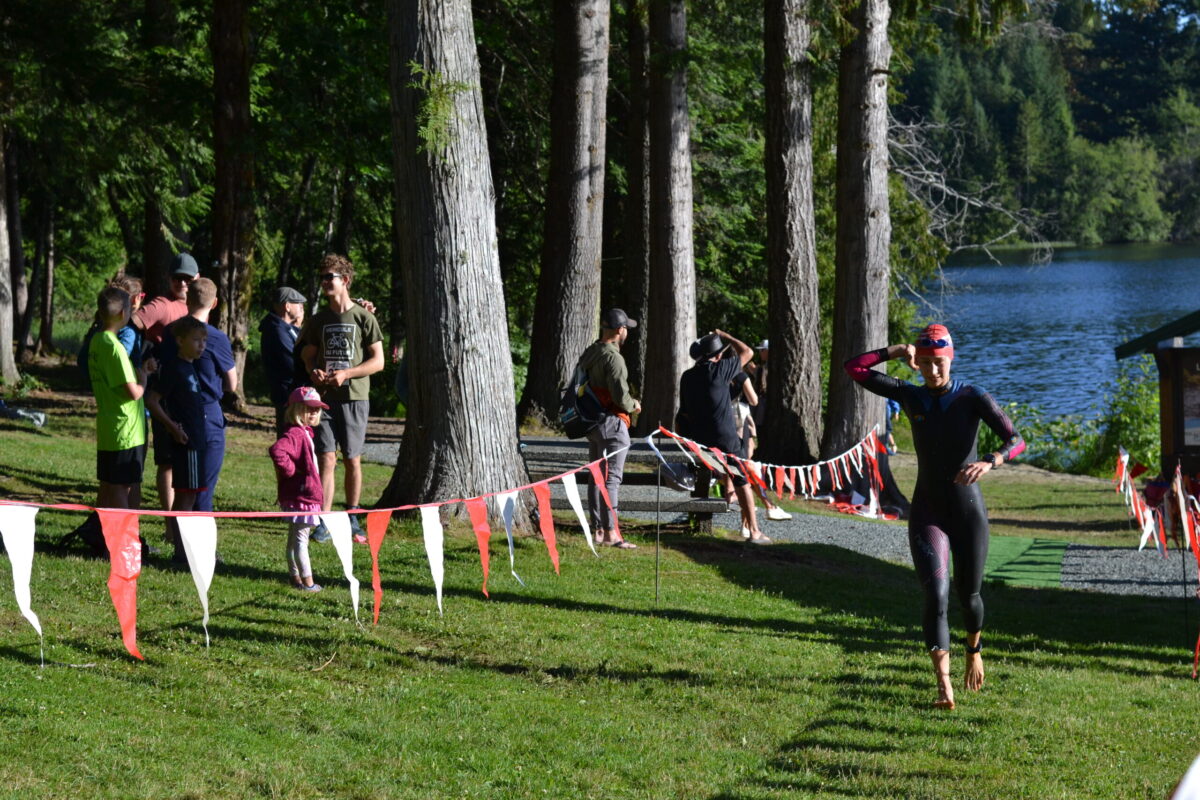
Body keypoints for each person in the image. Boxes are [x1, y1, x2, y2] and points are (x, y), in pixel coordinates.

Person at [844, 323, 1025, 711]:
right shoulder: (910, 395)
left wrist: (990, 461)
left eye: (939, 362)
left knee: (969, 596)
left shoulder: (972, 396)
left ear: (950, 360)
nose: (932, 370)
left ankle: (974, 649)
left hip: (968, 511)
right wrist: (896, 351)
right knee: (936, 596)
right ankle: (944, 686)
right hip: (928, 512)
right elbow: (854, 368)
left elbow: (1017, 440)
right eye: (925, 363)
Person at [298, 254, 384, 543]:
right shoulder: (319, 320)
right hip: (324, 399)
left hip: (354, 398)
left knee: (352, 459)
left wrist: (347, 374)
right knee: (326, 458)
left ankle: (352, 517)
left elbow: (378, 362)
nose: (324, 282)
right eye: (321, 277)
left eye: (329, 277)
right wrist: (313, 371)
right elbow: (308, 355)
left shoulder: (364, 317)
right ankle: (323, 520)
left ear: (345, 280)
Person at [677, 330, 769, 543]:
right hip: (725, 439)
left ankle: (702, 519)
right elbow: (747, 352)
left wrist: (686, 442)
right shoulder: (721, 369)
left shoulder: (687, 377)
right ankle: (754, 531)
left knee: (717, 474)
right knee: (742, 480)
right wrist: (724, 335)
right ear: (718, 355)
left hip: (699, 442)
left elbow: (684, 414)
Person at [155, 278, 237, 514]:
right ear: (214, 303)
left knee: (182, 483)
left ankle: (173, 530)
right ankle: (192, 537)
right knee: (201, 490)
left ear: (187, 300)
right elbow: (232, 383)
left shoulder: (172, 331)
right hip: (205, 414)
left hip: (172, 411)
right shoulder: (214, 337)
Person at [145, 316, 210, 562]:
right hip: (186, 443)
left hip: (198, 442)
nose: (201, 345)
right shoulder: (174, 368)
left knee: (191, 495)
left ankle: (185, 548)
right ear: (180, 341)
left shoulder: (191, 367)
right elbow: (152, 400)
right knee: (185, 496)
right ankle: (181, 553)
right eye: (196, 340)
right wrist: (172, 427)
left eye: (204, 341)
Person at [576, 308, 642, 549]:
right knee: (611, 479)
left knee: (596, 478)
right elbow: (620, 397)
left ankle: (599, 530)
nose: (627, 332)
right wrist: (634, 405)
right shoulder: (614, 358)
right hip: (612, 422)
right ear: (619, 330)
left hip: (593, 422)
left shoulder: (591, 352)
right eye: (626, 328)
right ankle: (612, 533)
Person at [87, 287, 150, 513]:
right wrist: (144, 379)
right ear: (123, 313)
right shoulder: (115, 348)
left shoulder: (96, 340)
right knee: (121, 488)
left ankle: (102, 534)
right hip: (126, 431)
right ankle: (123, 536)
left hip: (108, 427)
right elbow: (133, 392)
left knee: (109, 485)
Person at [269, 386, 328, 592]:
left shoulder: (304, 432)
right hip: (303, 497)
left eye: (317, 408)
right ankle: (308, 582)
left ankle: (294, 577)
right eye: (308, 407)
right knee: (301, 541)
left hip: (300, 495)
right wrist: (291, 471)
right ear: (295, 409)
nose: (314, 412)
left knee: (294, 540)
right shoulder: (296, 433)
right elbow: (277, 450)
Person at [259, 286, 307, 436]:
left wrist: (298, 327)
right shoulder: (277, 330)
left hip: (291, 394)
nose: (302, 307)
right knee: (291, 440)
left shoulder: (285, 328)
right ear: (287, 306)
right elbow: (293, 362)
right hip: (288, 396)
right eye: (298, 304)